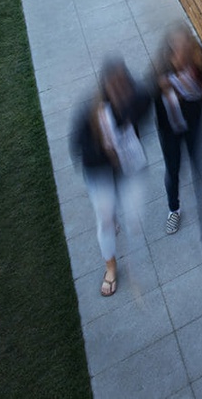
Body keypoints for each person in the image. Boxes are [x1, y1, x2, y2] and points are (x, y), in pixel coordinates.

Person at [71, 58, 151, 297]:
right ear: (105, 87)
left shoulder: (138, 98)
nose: (120, 92)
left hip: (129, 164)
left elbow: (146, 109)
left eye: (123, 86)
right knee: (105, 218)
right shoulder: (89, 113)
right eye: (114, 87)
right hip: (99, 169)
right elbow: (78, 149)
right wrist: (106, 152)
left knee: (134, 218)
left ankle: (131, 259)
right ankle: (111, 268)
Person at [152, 24, 202, 240]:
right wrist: (163, 91)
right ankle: (174, 209)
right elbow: (146, 99)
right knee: (173, 170)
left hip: (194, 125)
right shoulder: (160, 73)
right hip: (170, 129)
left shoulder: (199, 64)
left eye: (184, 46)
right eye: (176, 47)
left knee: (198, 165)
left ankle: (201, 204)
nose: (180, 52)